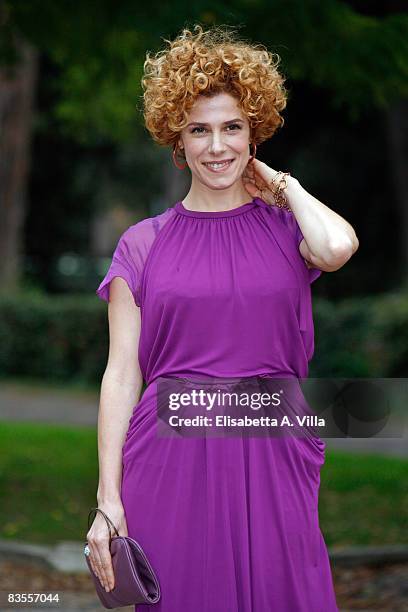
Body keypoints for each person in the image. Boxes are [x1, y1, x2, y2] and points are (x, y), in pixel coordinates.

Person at [87, 24, 358, 611]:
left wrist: (281, 186)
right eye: (199, 131)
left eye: (232, 128)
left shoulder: (289, 230)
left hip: (274, 441)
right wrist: (109, 497)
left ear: (253, 133)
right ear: (175, 142)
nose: (217, 147)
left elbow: (336, 248)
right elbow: (121, 376)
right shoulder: (143, 244)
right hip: (170, 455)